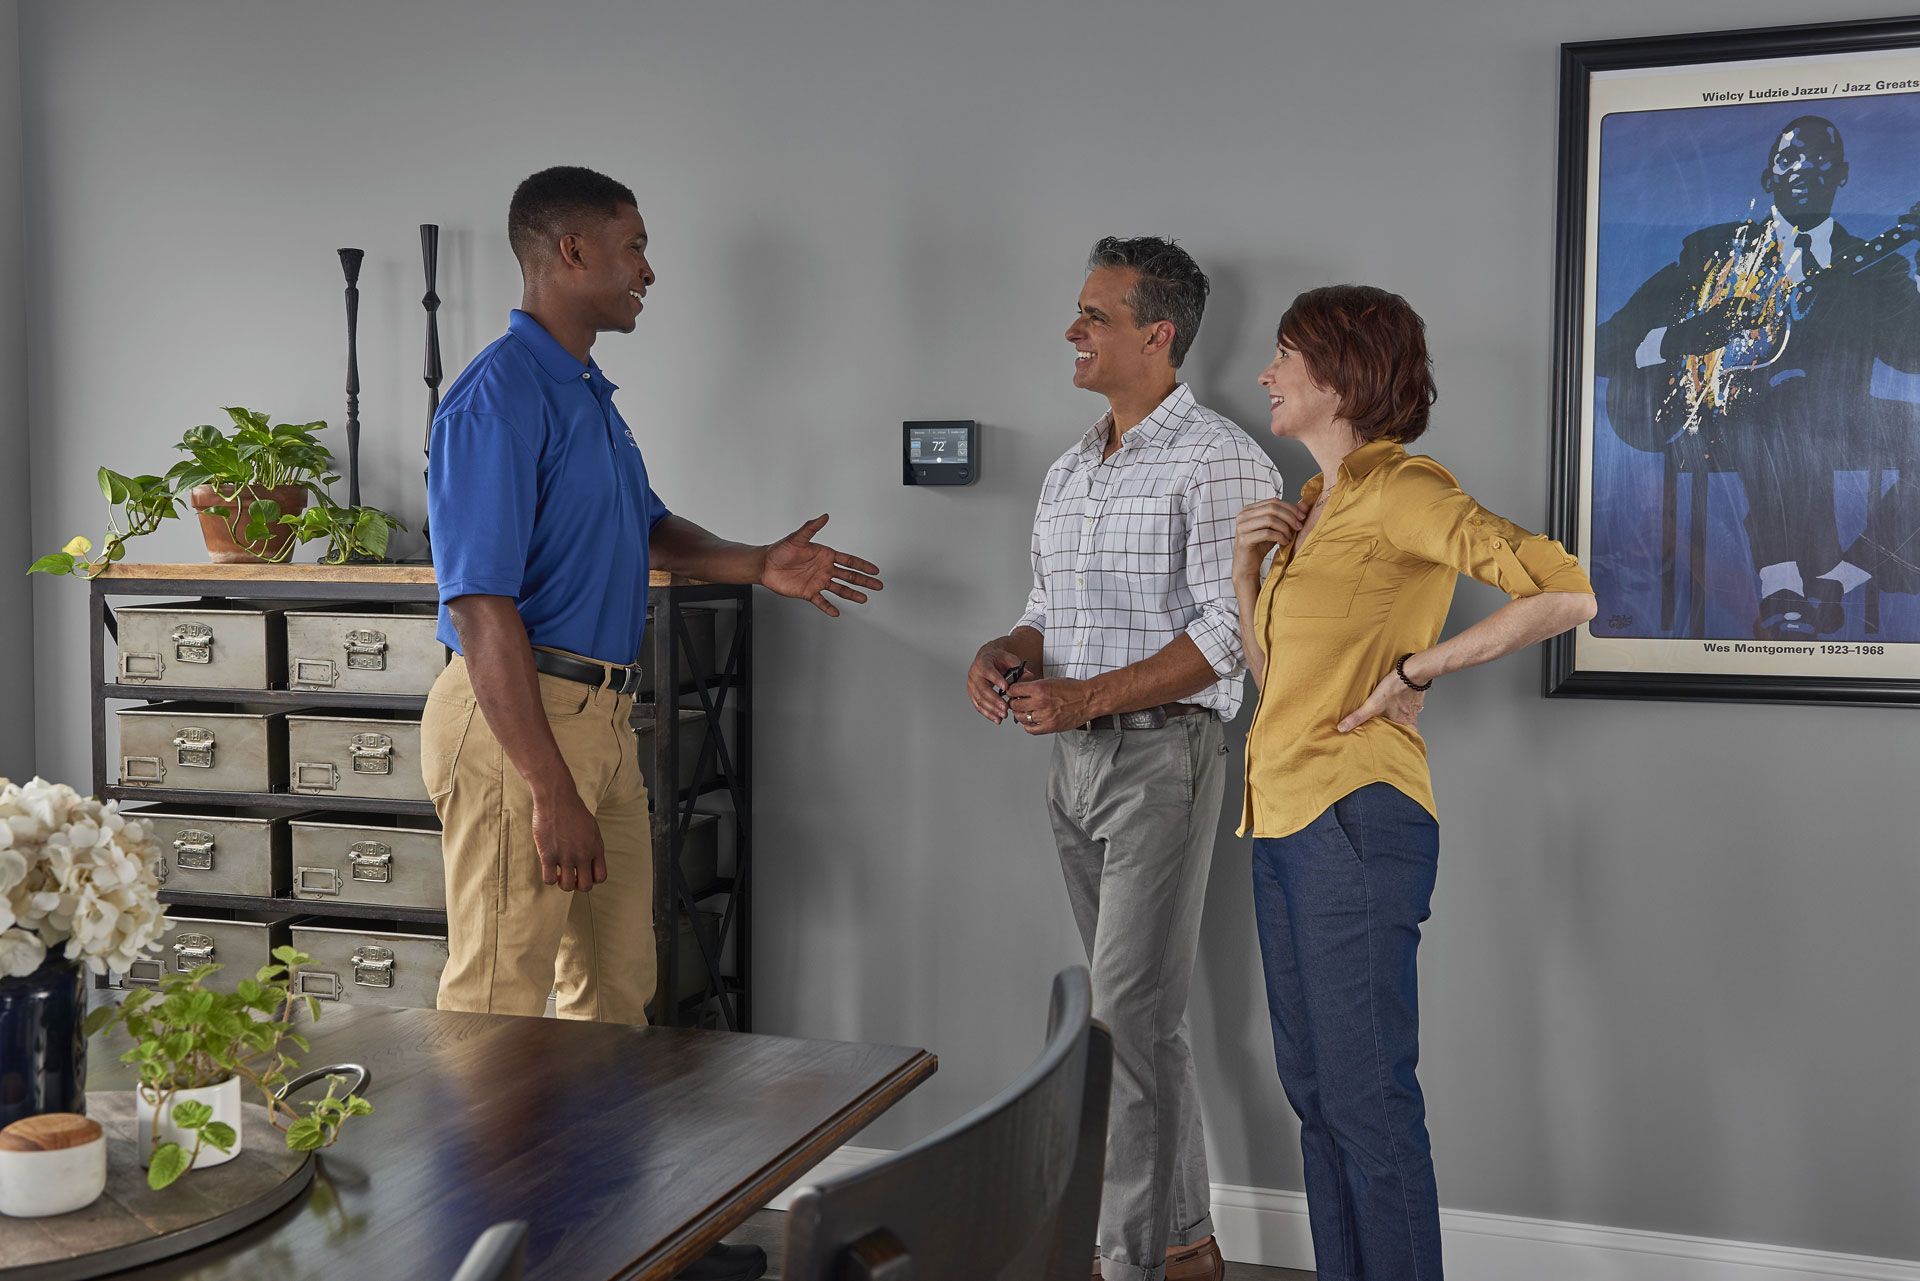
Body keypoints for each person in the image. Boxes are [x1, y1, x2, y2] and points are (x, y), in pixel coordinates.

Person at [424, 165, 883, 1281]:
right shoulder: (495, 397)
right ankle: (473, 1257)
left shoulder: (588, 395)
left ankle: (591, 1246)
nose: (648, 269)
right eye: (632, 247)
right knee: (500, 1011)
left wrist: (754, 562)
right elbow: (479, 606)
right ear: (567, 253)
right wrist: (547, 787)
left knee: (613, 998)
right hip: (518, 719)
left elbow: (646, 527)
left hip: (601, 718)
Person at [1234, 285, 1595, 1280]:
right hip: (1279, 818)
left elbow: (1566, 588)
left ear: (1342, 373)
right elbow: (1284, 691)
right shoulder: (1315, 504)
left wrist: (1417, 670)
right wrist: (1243, 574)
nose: (1266, 373)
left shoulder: (1402, 487)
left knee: (1368, 1101)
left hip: (1356, 820)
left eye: (1283, 356)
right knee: (1315, 1098)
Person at [967, 237, 1283, 1281]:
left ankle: (1122, 1261)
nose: (1073, 330)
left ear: (1158, 334)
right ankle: (1184, 1243)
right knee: (1142, 1025)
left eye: (1094, 316)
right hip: (1074, 771)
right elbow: (1046, 616)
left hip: (1165, 761)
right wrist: (1004, 656)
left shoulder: (1223, 458)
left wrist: (1085, 697)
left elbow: (1229, 635)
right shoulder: (1071, 469)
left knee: (1119, 1025)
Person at [1596, 115, 1920, 638]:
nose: (1803, 169)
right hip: (1719, 423)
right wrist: (1686, 337)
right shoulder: (1713, 251)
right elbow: (1604, 344)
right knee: (1785, 407)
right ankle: (1784, 584)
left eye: (1819, 160)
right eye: (1789, 158)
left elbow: (1912, 358)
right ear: (1769, 177)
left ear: (1841, 175)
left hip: (1837, 425)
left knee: (1804, 410)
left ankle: (1836, 580)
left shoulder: (1875, 268)